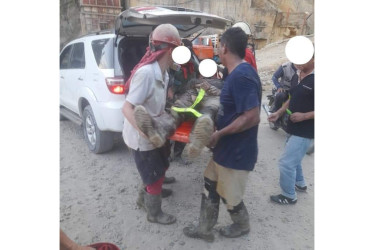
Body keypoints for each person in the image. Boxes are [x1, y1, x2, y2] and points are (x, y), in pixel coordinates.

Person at [183, 27, 262, 242]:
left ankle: (241, 225)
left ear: (225, 47)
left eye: (219, 45)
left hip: (237, 152)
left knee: (231, 196)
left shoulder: (242, 76)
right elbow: (232, 110)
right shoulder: (235, 73)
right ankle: (204, 229)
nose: (218, 48)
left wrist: (220, 134)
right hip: (225, 148)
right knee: (210, 184)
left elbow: (253, 116)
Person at [121, 23, 182, 225]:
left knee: (161, 164)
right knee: (152, 172)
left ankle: (145, 197)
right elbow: (127, 108)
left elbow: (157, 105)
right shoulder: (146, 74)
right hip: (142, 135)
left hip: (156, 129)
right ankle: (153, 213)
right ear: (171, 50)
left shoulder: (163, 73)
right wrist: (144, 132)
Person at [268, 55, 314, 205]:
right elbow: (291, 98)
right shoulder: (297, 74)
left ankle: (289, 195)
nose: (298, 63)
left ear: (313, 57)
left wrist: (304, 116)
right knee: (295, 158)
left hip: (305, 130)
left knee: (286, 163)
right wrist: (279, 112)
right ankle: (300, 183)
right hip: (292, 127)